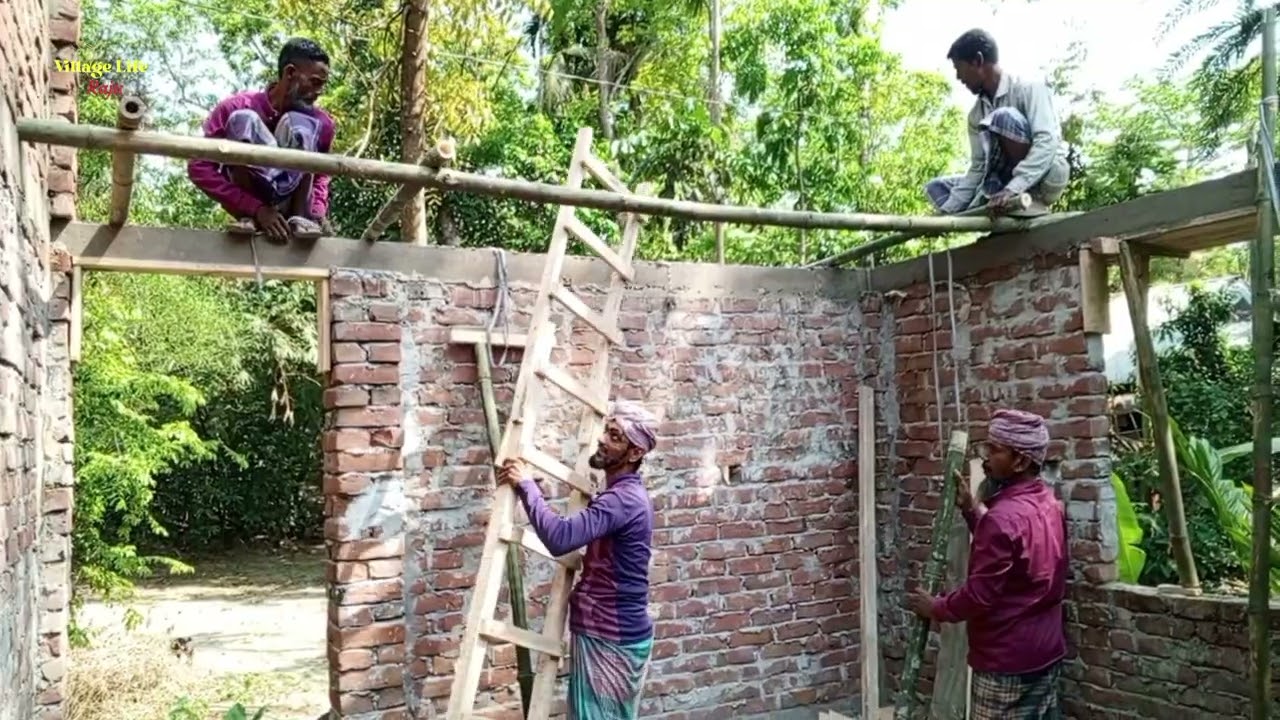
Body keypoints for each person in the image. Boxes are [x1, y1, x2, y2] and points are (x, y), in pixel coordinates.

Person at [496, 401, 658, 720]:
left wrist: (527, 485)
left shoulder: (622, 501)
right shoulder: (622, 495)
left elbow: (560, 539)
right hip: (610, 632)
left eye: (615, 436)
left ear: (635, 453)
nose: (602, 439)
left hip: (611, 636)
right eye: (606, 431)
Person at [905, 408, 1068, 720]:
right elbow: (1014, 550)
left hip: (1006, 661)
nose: (985, 458)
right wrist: (971, 509)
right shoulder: (1049, 503)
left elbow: (979, 596)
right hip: (1046, 651)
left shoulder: (1002, 518)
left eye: (994, 450)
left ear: (1020, 460)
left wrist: (936, 607)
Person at [188, 37, 336, 242]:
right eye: (315, 82)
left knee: (303, 123)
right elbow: (199, 167)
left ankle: (300, 218)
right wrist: (255, 209)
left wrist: (317, 212)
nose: (318, 92)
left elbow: (321, 174)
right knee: (243, 119)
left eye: (322, 85)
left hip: (294, 205)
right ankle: (250, 217)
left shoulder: (322, 123)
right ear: (290, 73)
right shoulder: (235, 106)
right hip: (250, 205)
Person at [925, 29, 1070, 218]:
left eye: (958, 68)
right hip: (1003, 182)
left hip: (1046, 178)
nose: (958, 78)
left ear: (978, 61)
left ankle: (1022, 197)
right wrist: (945, 214)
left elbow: (1047, 142)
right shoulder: (976, 115)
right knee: (936, 187)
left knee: (1002, 118)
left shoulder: (1028, 87)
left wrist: (1013, 188)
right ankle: (998, 204)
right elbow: (978, 168)